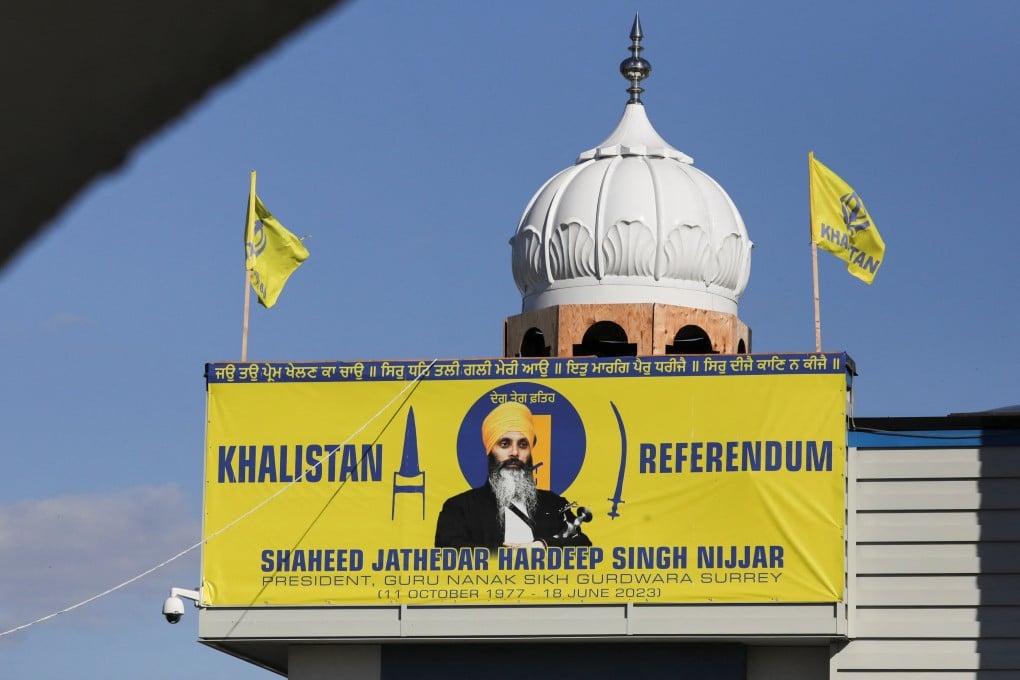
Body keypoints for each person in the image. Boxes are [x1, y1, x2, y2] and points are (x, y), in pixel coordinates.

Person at [435, 401, 591, 550]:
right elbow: (448, 549)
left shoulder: (554, 504)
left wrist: (543, 546)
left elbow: (584, 545)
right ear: (490, 450)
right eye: (505, 444)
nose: (515, 452)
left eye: (523, 444)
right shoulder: (460, 507)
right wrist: (509, 556)